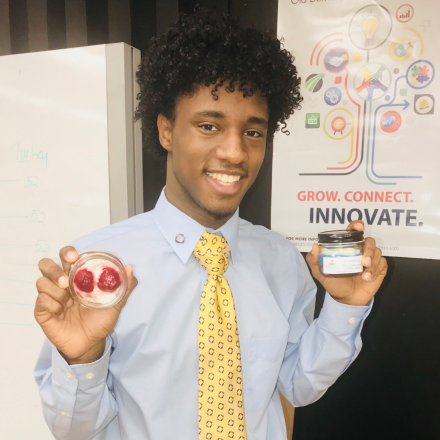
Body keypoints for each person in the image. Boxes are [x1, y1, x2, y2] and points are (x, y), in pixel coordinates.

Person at [33, 10, 387, 440]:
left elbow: (298, 385)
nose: (235, 152)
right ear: (166, 130)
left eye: (253, 133)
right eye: (208, 126)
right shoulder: (99, 272)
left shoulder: (280, 260)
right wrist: (83, 357)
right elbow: (74, 431)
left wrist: (345, 306)